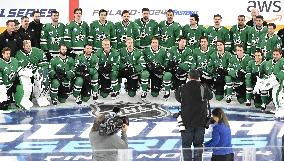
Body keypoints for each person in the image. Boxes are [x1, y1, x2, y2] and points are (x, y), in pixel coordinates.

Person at [175, 69, 213, 161]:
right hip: (200, 122)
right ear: (199, 77)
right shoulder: (203, 87)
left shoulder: (182, 87)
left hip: (186, 122)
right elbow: (210, 96)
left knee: (186, 145)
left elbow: (178, 98)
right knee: (198, 145)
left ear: (188, 77)